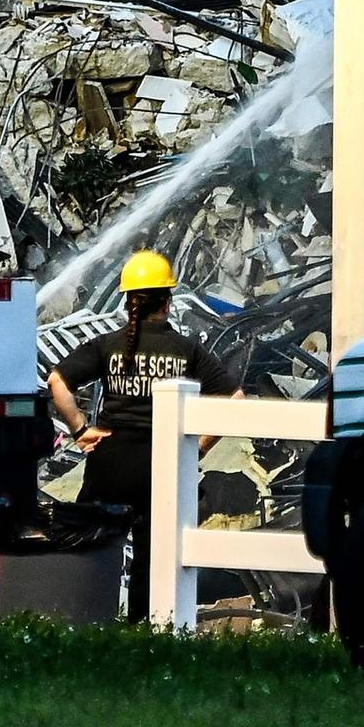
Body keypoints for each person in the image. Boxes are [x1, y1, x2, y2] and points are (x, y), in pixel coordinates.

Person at [46, 251, 242, 621]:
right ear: (167, 304)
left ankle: (81, 616)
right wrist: (195, 450)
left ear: (128, 303)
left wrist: (80, 428)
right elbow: (235, 400)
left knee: (92, 542)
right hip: (162, 466)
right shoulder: (187, 351)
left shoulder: (108, 345)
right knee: (154, 556)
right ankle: (142, 627)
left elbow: (57, 380)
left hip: (110, 463)